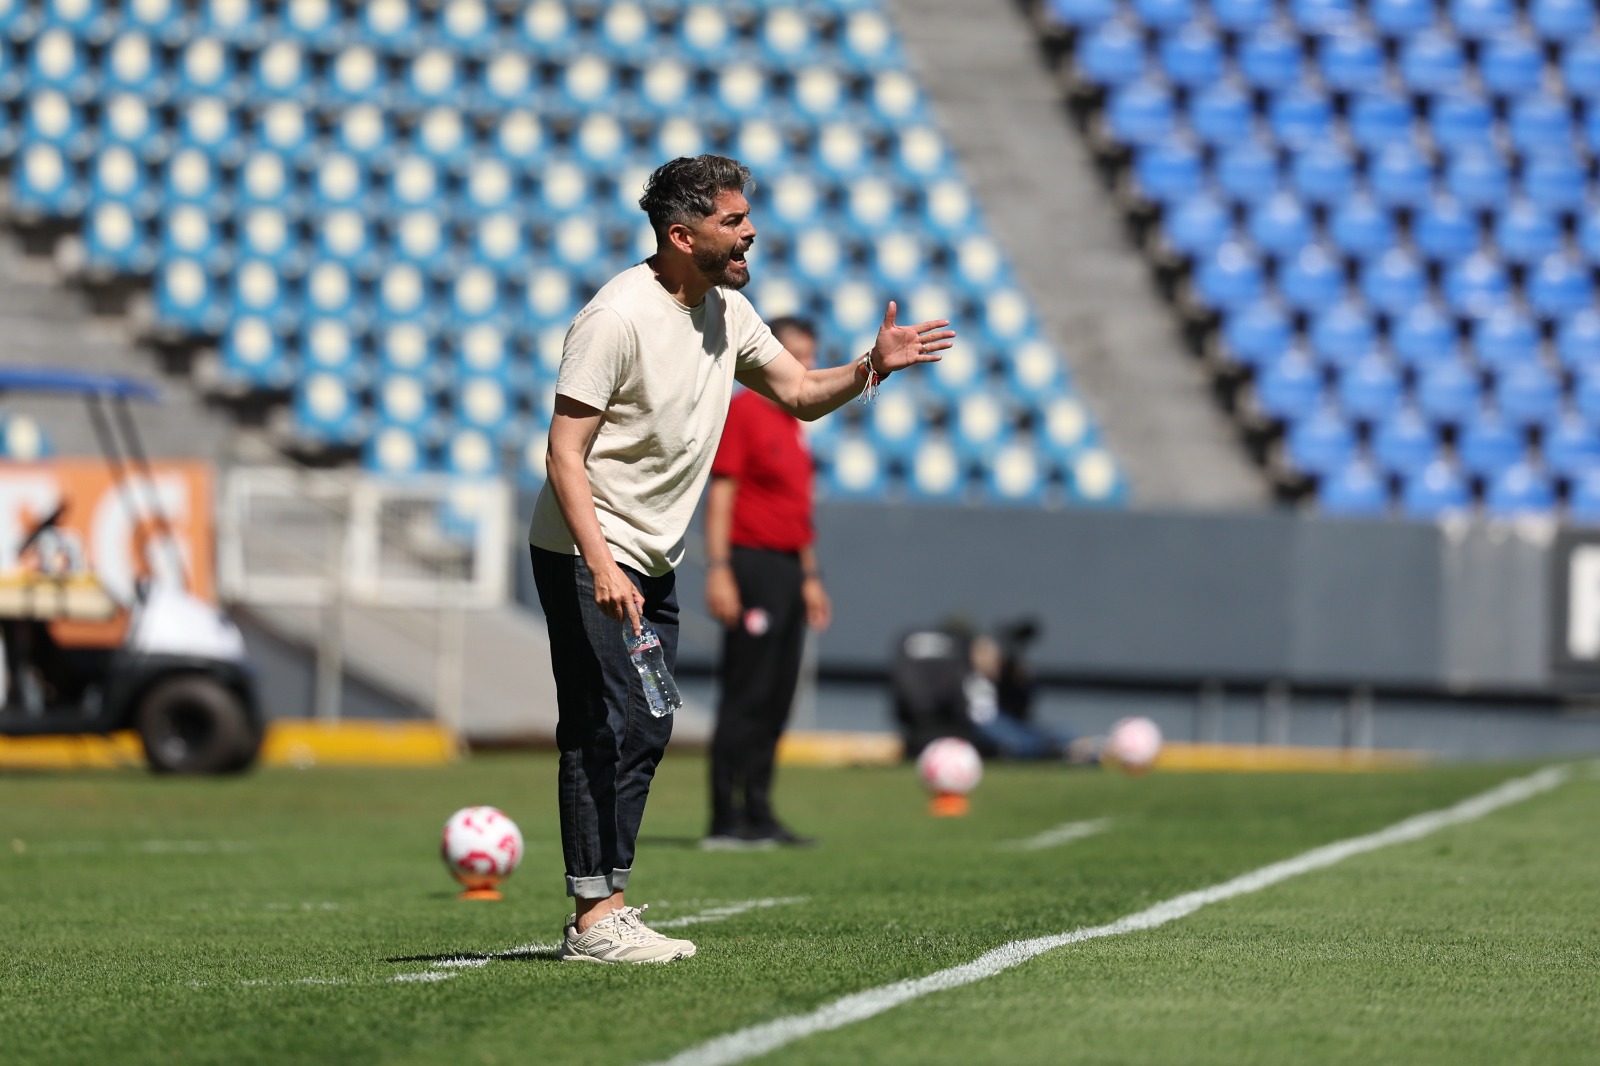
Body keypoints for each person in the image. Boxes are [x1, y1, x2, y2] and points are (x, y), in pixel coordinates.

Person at [527, 154, 955, 964]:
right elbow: (563, 453)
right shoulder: (615, 317)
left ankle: (606, 901)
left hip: (648, 561)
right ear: (682, 235)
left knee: (648, 724)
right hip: (589, 553)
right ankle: (595, 916)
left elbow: (797, 394)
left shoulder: (728, 309)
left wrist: (870, 368)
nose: (751, 229)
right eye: (733, 220)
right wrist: (602, 562)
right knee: (599, 725)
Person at [702, 316, 831, 850]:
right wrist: (719, 569)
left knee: (778, 695)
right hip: (749, 562)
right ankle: (724, 817)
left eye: (809, 355)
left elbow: (796, 513)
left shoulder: (793, 426)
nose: (803, 365)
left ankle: (759, 809)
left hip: (786, 570)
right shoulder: (746, 411)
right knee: (745, 692)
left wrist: (810, 577)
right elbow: (723, 495)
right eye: (792, 353)